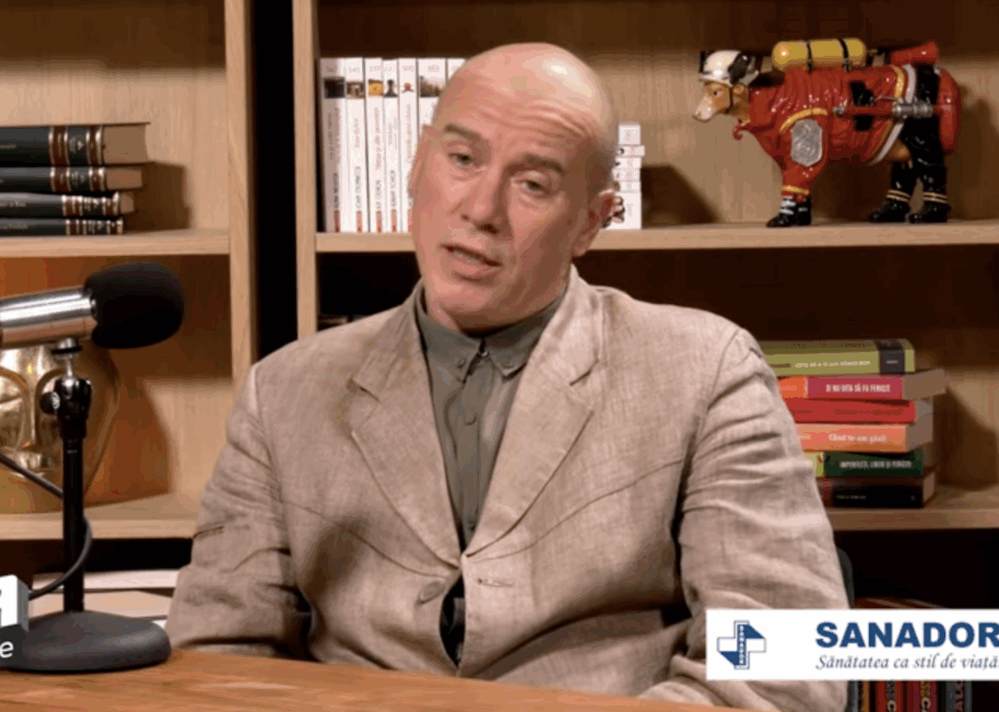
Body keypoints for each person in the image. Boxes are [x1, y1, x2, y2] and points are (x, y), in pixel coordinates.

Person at [167, 42, 848, 711]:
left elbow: (785, 670)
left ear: (590, 223)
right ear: (417, 165)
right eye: (462, 160)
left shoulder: (706, 371)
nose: (481, 210)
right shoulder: (282, 393)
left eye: (533, 185)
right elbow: (216, 662)